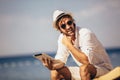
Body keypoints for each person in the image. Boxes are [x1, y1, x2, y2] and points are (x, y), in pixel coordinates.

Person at [41, 10, 113, 80]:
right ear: (60, 30)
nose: (68, 27)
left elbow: (86, 61)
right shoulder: (62, 38)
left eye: (69, 22)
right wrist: (52, 66)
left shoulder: (85, 33)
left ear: (73, 22)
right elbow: (61, 61)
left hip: (103, 69)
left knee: (84, 68)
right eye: (63, 26)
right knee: (54, 72)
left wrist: (69, 45)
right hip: (85, 71)